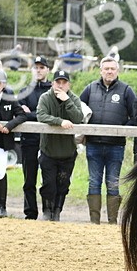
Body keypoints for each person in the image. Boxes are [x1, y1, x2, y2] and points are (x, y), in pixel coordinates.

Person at [79, 54, 137, 223]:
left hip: (116, 146)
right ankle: (94, 221)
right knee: (94, 182)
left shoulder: (126, 90)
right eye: (106, 69)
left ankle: (112, 221)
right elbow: (78, 109)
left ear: (117, 70)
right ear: (100, 71)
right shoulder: (90, 88)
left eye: (112, 69)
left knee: (113, 183)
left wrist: (123, 130)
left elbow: (135, 116)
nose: (109, 72)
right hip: (93, 145)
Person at [36, 69, 85, 221]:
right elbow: (40, 115)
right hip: (48, 150)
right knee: (48, 184)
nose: (61, 85)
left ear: (68, 85)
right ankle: (47, 211)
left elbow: (78, 117)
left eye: (64, 83)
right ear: (53, 83)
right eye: (58, 82)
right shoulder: (45, 97)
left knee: (63, 184)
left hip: (67, 152)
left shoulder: (74, 99)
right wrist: (60, 121)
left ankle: (57, 212)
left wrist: (67, 101)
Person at [15, 55, 53, 219]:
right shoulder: (24, 91)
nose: (38, 70)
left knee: (48, 180)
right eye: (36, 67)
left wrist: (31, 113)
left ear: (47, 70)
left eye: (41, 67)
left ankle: (48, 211)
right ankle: (30, 212)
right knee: (29, 179)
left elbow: (51, 115)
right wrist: (38, 115)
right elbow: (18, 114)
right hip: (29, 140)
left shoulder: (53, 90)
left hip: (49, 141)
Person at [0, 70, 24, 217]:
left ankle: (2, 206)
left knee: (1, 172)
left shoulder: (10, 95)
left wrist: (8, 126)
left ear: (4, 83)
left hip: (3, 141)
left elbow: (22, 115)